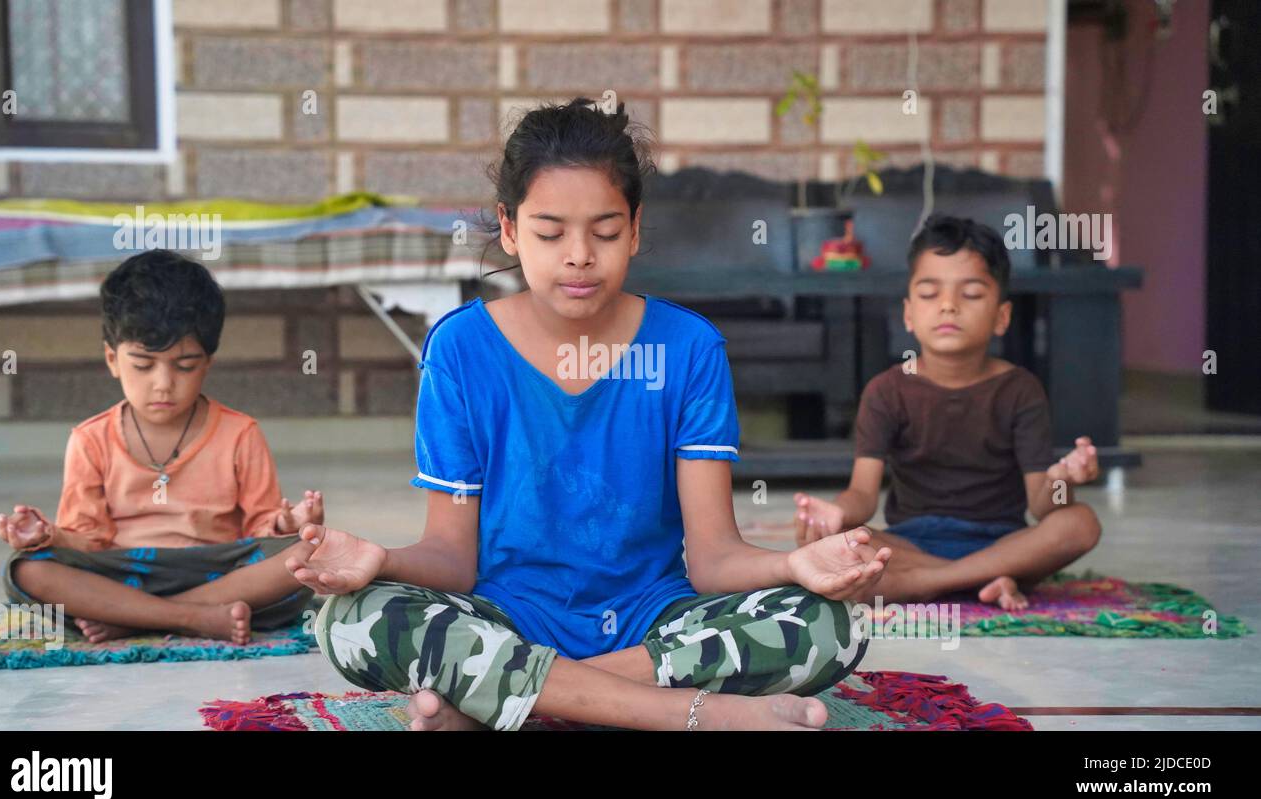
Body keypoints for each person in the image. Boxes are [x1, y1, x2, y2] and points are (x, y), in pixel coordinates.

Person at [289, 97, 891, 731]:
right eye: (550, 232)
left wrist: (791, 565)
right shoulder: (461, 349)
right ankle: (703, 715)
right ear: (511, 227)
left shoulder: (687, 348)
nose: (579, 255)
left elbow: (713, 559)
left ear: (634, 228)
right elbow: (451, 558)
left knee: (832, 623)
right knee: (351, 620)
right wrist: (378, 560)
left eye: (604, 232)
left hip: (650, 623)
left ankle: (510, 703)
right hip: (508, 620)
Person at [0, 250, 323, 644]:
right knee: (26, 569)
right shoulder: (89, 438)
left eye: (184, 366)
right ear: (112, 359)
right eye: (143, 365)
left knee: (304, 553)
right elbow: (89, 540)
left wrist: (287, 524)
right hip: (122, 571)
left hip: (215, 567)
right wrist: (47, 536)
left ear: (208, 363)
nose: (163, 383)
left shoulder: (240, 433)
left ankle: (135, 619)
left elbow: (260, 530)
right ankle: (192, 616)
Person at [794, 215, 1102, 611]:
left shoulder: (1020, 389)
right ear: (908, 314)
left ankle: (926, 583)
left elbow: (1043, 507)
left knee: (1079, 522)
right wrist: (836, 513)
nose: (948, 306)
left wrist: (1062, 480)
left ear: (1002, 316)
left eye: (971, 294)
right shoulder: (886, 390)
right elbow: (862, 494)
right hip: (910, 541)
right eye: (929, 293)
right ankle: (984, 580)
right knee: (838, 545)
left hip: (1003, 542)